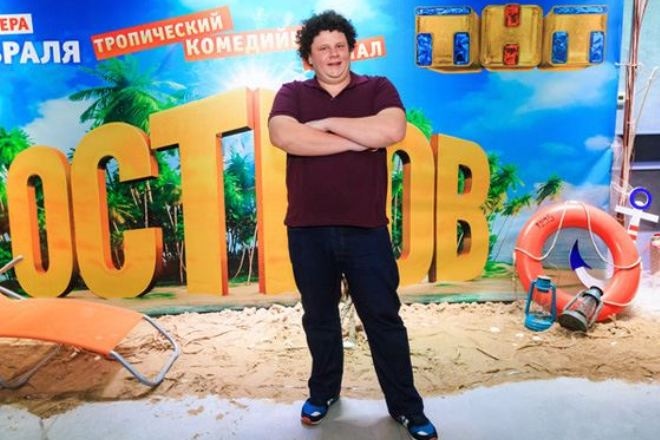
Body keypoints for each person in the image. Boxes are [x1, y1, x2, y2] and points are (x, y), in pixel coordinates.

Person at [268, 10, 438, 440]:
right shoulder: (291, 93)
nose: (333, 55)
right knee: (319, 317)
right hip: (307, 230)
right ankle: (323, 392)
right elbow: (286, 137)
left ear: (351, 50)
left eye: (340, 46)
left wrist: (326, 126)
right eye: (323, 48)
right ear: (308, 57)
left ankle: (406, 408)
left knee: (383, 319)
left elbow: (392, 130)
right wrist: (360, 139)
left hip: (366, 229)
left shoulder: (378, 88)